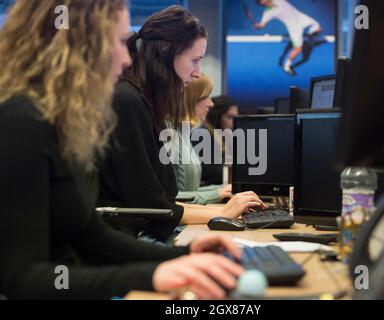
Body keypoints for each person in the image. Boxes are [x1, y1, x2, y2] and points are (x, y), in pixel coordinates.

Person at [0, 0, 244, 300]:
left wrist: (184, 254)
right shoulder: (22, 119)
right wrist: (152, 275)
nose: (127, 58)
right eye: (117, 42)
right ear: (77, 46)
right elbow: (21, 279)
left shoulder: (61, 123)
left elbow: (92, 236)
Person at [98, 6, 267, 241]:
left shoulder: (146, 103)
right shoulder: (127, 100)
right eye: (195, 60)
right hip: (131, 240)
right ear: (167, 53)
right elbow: (152, 208)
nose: (198, 73)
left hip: (143, 233)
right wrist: (221, 212)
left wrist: (223, 211)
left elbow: (163, 201)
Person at [168, 74, 233, 205]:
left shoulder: (182, 133)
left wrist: (223, 190)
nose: (211, 104)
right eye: (204, 97)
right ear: (187, 100)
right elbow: (171, 200)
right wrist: (216, 193)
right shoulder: (168, 135)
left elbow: (191, 191)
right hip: (179, 224)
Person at [254, 0, 323, 76]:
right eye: (262, 0)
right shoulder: (267, 13)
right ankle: (286, 66)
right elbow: (262, 25)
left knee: (319, 28)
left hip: (301, 18)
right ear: (261, 3)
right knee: (298, 49)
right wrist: (258, 26)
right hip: (293, 27)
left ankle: (310, 35)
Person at [195, 95, 240, 186]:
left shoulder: (226, 136)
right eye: (230, 117)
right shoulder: (202, 135)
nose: (234, 122)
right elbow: (213, 174)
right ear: (216, 117)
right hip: (207, 191)